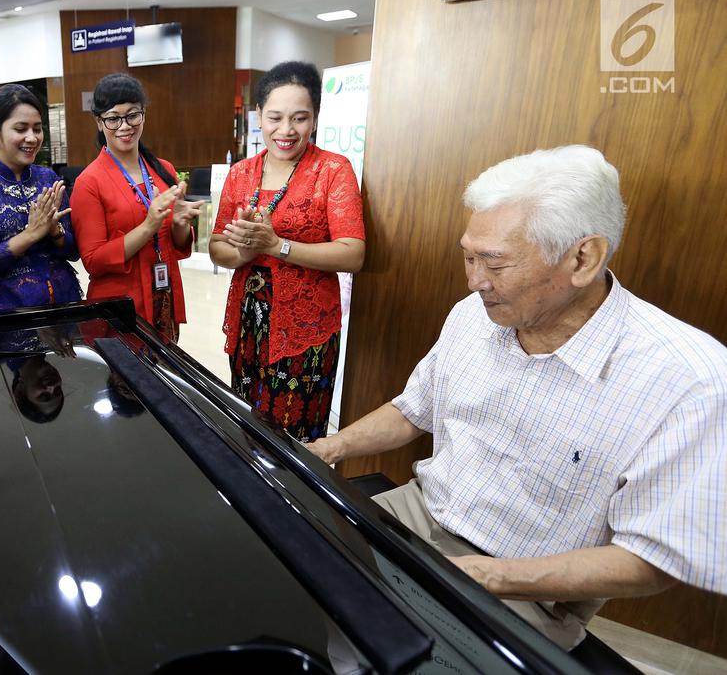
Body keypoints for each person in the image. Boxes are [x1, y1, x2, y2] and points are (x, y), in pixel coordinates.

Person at [309, 145, 727, 649]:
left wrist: (490, 577)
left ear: (582, 258)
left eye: (494, 263)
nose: (474, 281)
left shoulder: (688, 379)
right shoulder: (473, 315)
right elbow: (411, 410)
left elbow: (651, 560)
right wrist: (325, 451)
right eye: (468, 255)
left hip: (528, 586)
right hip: (418, 513)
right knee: (290, 566)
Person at [210, 61, 365, 442]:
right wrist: (247, 252)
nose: (286, 130)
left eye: (299, 118)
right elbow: (217, 246)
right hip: (250, 318)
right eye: (275, 117)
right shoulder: (242, 173)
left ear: (315, 118)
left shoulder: (332, 169)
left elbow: (352, 254)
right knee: (246, 417)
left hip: (306, 326)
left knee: (295, 433)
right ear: (258, 115)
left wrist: (276, 246)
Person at [70, 73, 202, 342]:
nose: (124, 126)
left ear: (144, 114)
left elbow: (176, 244)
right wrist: (149, 225)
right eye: (113, 118)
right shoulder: (89, 182)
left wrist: (179, 226)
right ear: (98, 122)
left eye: (132, 115)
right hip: (120, 309)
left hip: (164, 299)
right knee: (126, 383)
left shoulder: (163, 170)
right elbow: (93, 261)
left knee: (164, 379)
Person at [0, 84, 81, 312]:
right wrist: (29, 236)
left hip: (63, 304)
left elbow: (72, 252)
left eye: (37, 129)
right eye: (21, 129)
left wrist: (55, 232)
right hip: (8, 313)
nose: (31, 138)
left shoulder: (47, 177)